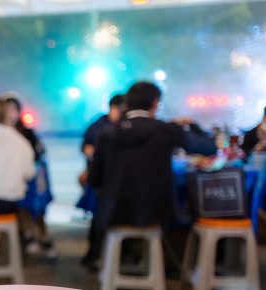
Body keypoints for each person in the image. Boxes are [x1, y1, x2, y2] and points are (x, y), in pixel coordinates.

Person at [88, 82, 216, 245]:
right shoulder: (165, 130)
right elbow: (209, 148)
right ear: (155, 103)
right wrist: (192, 125)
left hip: (113, 212)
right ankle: (168, 264)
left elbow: (94, 178)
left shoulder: (107, 132)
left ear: (127, 103)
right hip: (156, 213)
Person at [2, 95, 56, 258]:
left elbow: (38, 153)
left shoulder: (26, 132)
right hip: (9, 179)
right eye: (7, 109)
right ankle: (27, 235)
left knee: (35, 203)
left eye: (14, 109)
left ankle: (42, 236)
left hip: (29, 178)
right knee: (20, 204)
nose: (11, 113)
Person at [79, 94, 125, 268]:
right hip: (100, 179)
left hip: (112, 180)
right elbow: (86, 147)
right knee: (100, 210)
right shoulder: (99, 126)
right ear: (112, 108)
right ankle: (94, 254)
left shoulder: (124, 128)